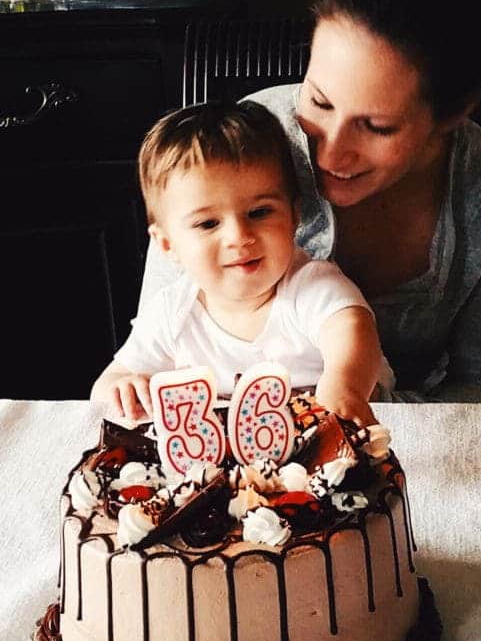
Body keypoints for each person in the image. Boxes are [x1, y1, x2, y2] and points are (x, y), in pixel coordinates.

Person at [137, 0, 481, 402]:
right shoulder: (239, 146)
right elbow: (161, 330)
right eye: (320, 102)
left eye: (377, 128)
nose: (329, 155)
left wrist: (370, 437)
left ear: (453, 115)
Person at [91, 100, 392, 423]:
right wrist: (123, 387)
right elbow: (105, 386)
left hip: (336, 441)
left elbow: (351, 329)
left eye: (259, 212)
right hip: (232, 461)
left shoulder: (310, 285)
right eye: (208, 224)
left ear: (294, 216)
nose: (239, 236)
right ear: (168, 244)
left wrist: (344, 386)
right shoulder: (172, 313)